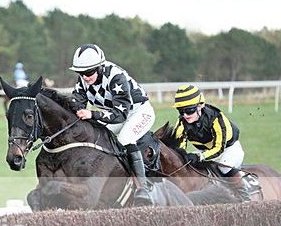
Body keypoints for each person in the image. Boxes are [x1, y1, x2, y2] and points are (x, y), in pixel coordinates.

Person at [69, 44, 154, 206]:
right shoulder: (83, 80)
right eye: (80, 73)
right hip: (114, 114)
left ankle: (142, 188)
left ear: (100, 67)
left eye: (89, 72)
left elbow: (121, 114)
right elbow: (75, 104)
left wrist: (93, 114)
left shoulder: (116, 77)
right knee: (97, 138)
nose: (85, 77)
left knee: (125, 139)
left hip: (138, 112)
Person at [171, 84, 251, 202]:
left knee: (224, 167)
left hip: (228, 149)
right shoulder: (182, 122)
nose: (185, 115)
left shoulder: (216, 118)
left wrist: (200, 157)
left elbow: (219, 149)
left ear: (199, 106)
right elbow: (179, 145)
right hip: (206, 150)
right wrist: (183, 155)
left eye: (189, 110)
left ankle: (246, 198)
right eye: (181, 111)